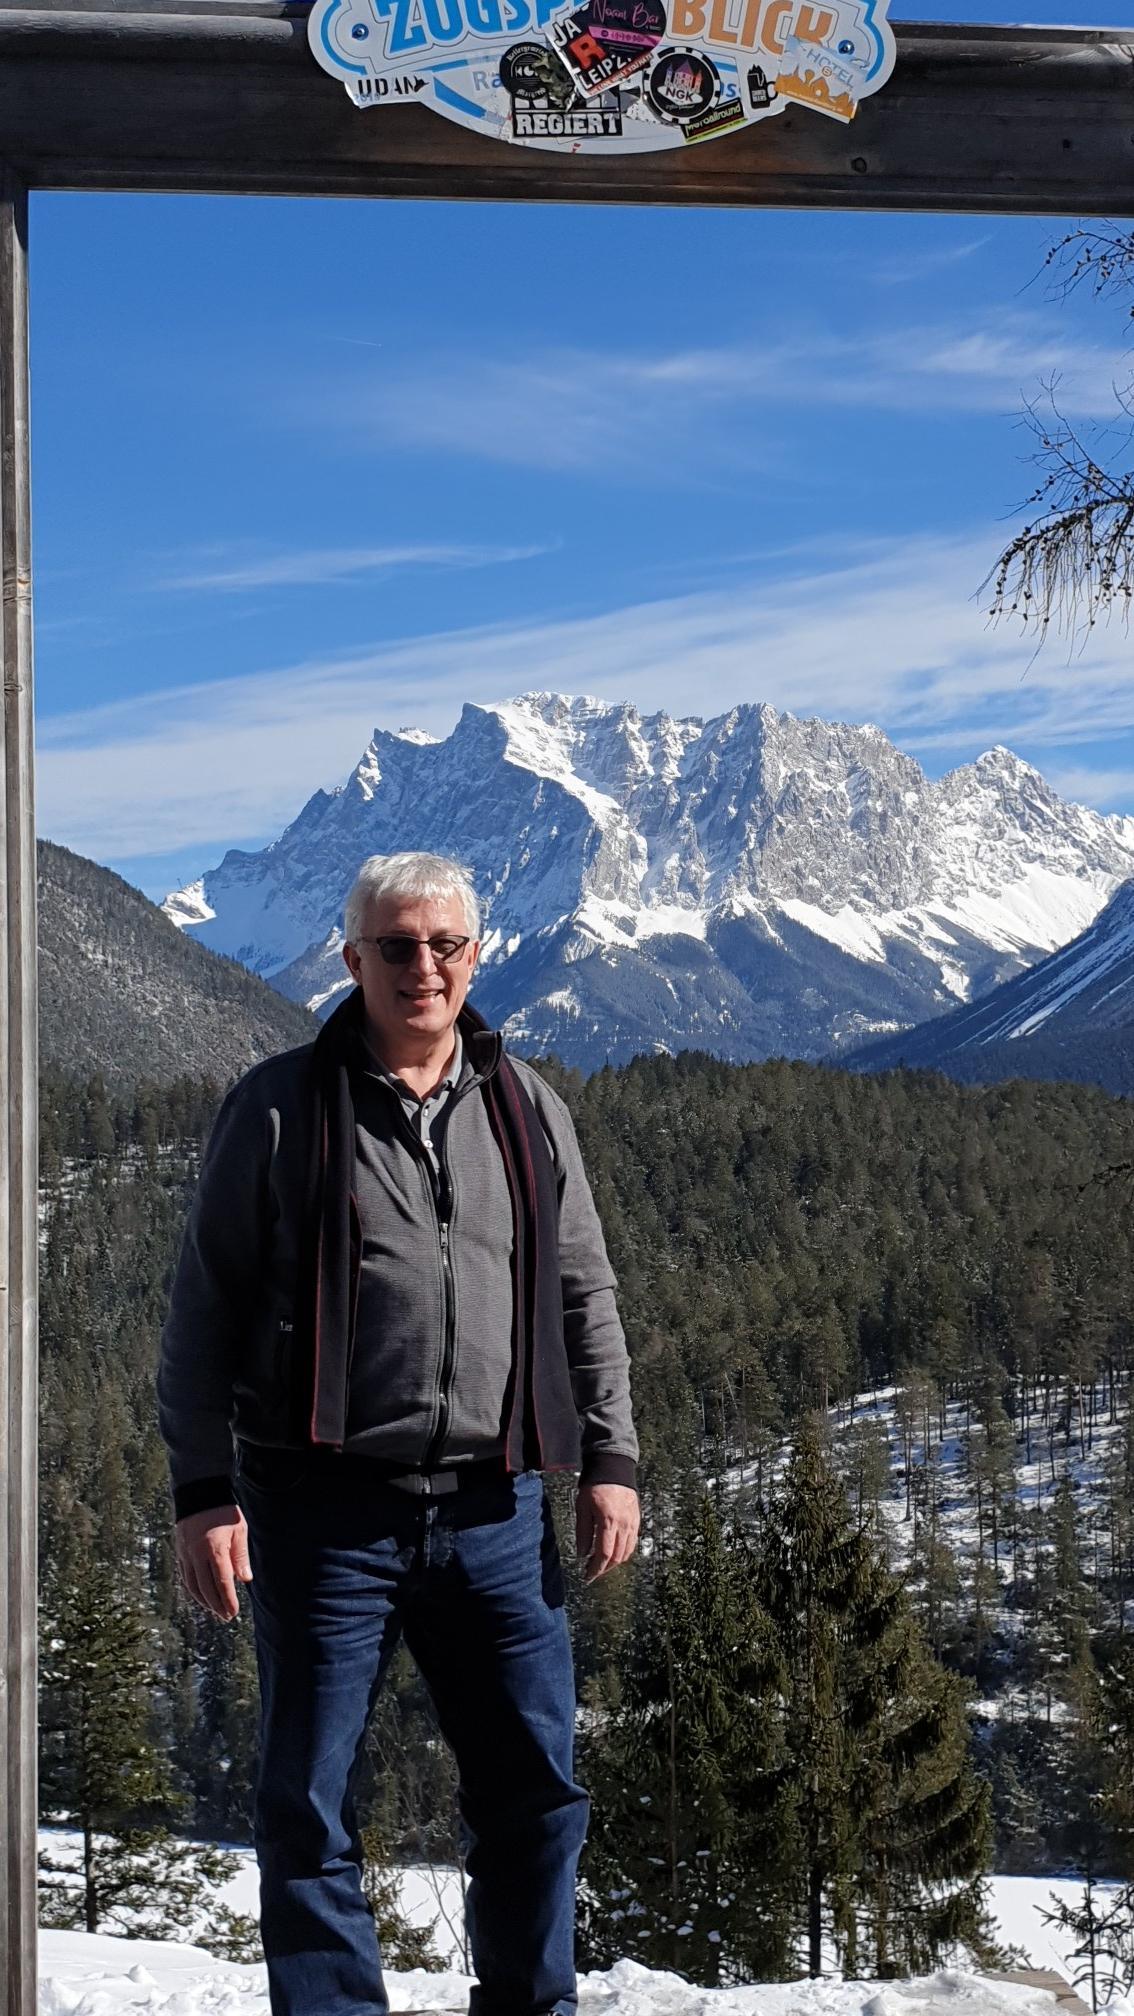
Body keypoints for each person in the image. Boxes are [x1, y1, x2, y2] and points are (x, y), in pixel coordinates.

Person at [158, 848, 640, 2016]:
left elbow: (584, 1292)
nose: (423, 966)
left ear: (477, 955)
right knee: (309, 1805)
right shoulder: (278, 1108)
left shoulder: (528, 1109)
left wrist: (611, 1460)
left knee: (536, 1798)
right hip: (322, 1515)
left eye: (444, 945)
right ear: (352, 960)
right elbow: (203, 1311)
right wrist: (202, 1492)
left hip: (498, 1512)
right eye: (396, 946)